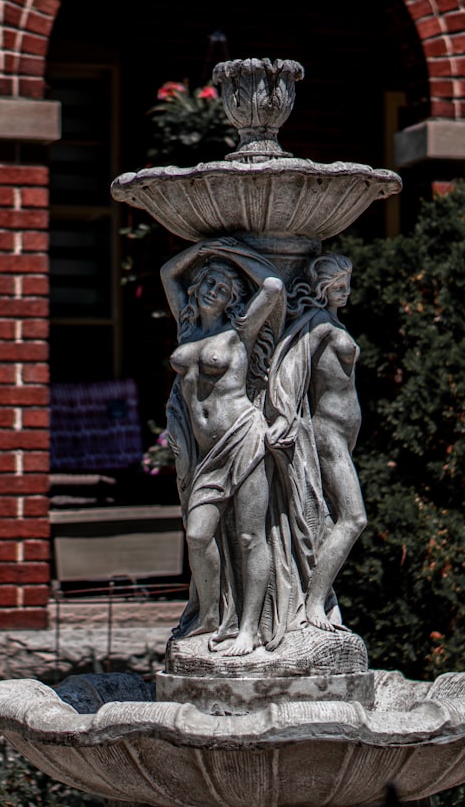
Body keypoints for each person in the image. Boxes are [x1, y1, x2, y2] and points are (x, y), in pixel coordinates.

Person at [161, 237, 284, 656]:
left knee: (252, 535)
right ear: (198, 287)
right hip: (204, 455)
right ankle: (210, 615)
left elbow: (273, 287)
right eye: (210, 281)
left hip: (243, 438)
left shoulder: (240, 331)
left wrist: (231, 254)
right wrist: (200, 252)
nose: (216, 289)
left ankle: (249, 628)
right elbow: (167, 274)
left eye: (226, 287)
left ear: (234, 298)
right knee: (198, 535)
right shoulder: (187, 326)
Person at [267, 253, 366, 631]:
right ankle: (311, 604)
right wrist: (285, 416)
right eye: (337, 287)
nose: (345, 293)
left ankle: (322, 599)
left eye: (347, 285)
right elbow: (289, 366)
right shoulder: (319, 324)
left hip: (342, 434)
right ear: (322, 289)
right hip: (326, 433)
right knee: (353, 518)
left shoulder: (331, 322)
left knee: (325, 519)